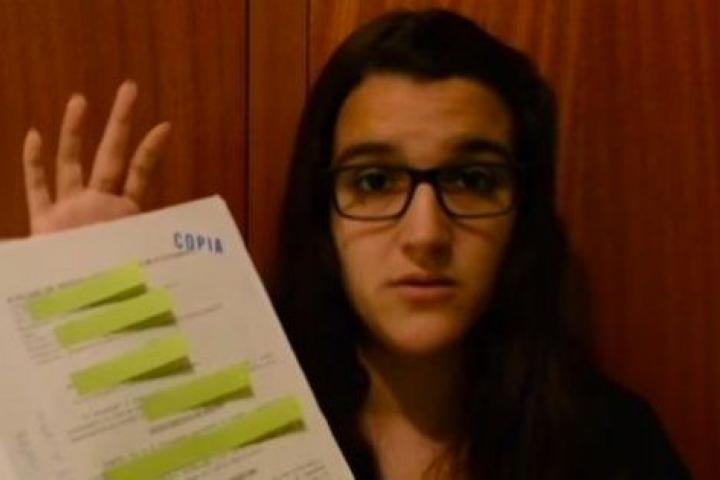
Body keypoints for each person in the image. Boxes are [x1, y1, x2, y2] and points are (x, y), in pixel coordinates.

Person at [21, 9, 691, 480]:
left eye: (472, 179)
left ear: (524, 211)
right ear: (323, 213)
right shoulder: (224, 423)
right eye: (373, 181)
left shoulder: (611, 445)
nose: (425, 234)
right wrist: (64, 347)